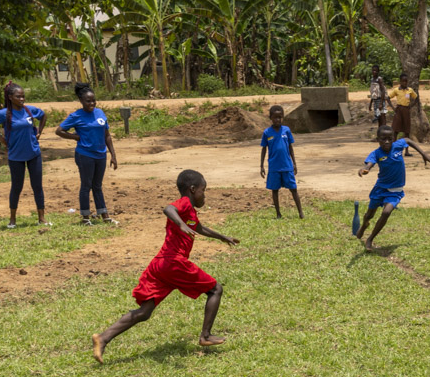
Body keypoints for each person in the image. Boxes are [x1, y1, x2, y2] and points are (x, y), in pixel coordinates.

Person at [92, 169, 237, 360]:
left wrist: (222, 237)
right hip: (174, 262)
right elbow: (168, 209)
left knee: (145, 312)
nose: (205, 195)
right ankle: (206, 335)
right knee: (215, 289)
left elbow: (199, 228)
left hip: (161, 265)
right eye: (204, 190)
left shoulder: (190, 211)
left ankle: (103, 338)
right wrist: (181, 224)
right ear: (192, 189)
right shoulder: (184, 203)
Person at [356, 125, 430, 252]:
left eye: (390, 138)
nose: (387, 142)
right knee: (369, 214)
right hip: (380, 189)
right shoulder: (377, 153)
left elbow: (408, 140)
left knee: (386, 212)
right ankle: (364, 225)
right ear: (378, 140)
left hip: (395, 191)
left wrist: (424, 153)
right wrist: (365, 169)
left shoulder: (398, 146)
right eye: (383, 139)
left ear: (393, 138)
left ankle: (370, 239)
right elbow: (369, 164)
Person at [0, 82, 48, 229]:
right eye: (18, 97)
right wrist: (1, 139)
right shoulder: (4, 114)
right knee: (16, 187)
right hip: (15, 156)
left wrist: (39, 132)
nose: (22, 99)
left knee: (37, 186)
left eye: (23, 96)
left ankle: (42, 218)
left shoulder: (29, 110)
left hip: (34, 154)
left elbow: (43, 115)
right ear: (10, 97)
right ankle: (12, 220)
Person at [56, 83, 118, 226]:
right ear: (81, 101)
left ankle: (104, 215)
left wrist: (113, 155)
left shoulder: (100, 113)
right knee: (86, 185)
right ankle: (85, 217)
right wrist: (75, 137)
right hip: (85, 155)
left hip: (101, 155)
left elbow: (107, 135)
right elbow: (59, 131)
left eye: (93, 100)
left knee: (97, 185)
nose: (92, 103)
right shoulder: (76, 116)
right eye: (88, 101)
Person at [259, 105, 303, 219]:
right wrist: (261, 166)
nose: (277, 120)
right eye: (275, 117)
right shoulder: (267, 132)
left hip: (287, 166)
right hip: (274, 167)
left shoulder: (286, 130)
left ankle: (301, 213)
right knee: (275, 190)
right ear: (270, 118)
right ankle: (278, 213)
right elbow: (264, 149)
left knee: (293, 189)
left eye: (280, 117)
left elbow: (290, 147)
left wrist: (294, 163)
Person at [388, 72, 420, 140]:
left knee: (407, 131)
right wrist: (393, 108)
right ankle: (394, 147)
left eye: (406, 81)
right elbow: (388, 98)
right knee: (395, 129)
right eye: (403, 81)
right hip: (399, 110)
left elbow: (416, 98)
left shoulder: (410, 90)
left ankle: (406, 149)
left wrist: (411, 106)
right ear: (400, 81)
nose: (405, 83)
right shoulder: (396, 90)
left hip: (406, 110)